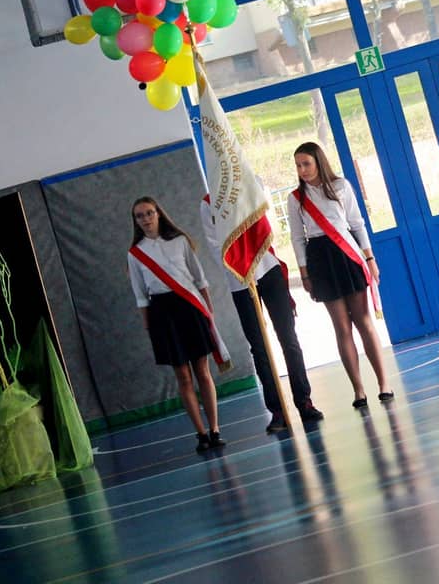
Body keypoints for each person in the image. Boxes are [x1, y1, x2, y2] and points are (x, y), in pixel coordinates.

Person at [200, 193, 324, 434]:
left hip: (268, 269)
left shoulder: (249, 184)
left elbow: (266, 224)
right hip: (240, 280)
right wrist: (239, 268)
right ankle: (277, 410)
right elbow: (214, 245)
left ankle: (304, 401)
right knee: (258, 347)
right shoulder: (207, 203)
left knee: (289, 338)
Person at [288, 142, 393, 409]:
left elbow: (357, 224)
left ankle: (384, 383)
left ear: (319, 162)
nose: (302, 170)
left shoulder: (341, 186)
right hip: (320, 261)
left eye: (306, 164)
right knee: (342, 327)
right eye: (298, 165)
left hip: (348, 256)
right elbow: (297, 238)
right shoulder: (295, 198)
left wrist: (370, 259)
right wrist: (304, 272)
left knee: (364, 322)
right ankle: (358, 389)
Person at [128, 196, 226, 454]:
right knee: (182, 376)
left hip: (190, 309)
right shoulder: (135, 254)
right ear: (135, 221)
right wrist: (150, 328)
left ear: (158, 213)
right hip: (162, 315)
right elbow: (140, 295)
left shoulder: (180, 242)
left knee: (202, 371)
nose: (146, 219)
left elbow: (199, 278)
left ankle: (215, 429)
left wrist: (208, 311)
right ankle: (201, 434)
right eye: (140, 215)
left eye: (149, 213)